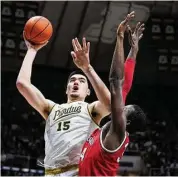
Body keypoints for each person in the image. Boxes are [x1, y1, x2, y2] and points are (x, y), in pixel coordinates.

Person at [16, 34, 111, 176]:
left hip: (78, 172)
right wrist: (32, 50)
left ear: (88, 92)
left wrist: (88, 69)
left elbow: (110, 104)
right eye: (72, 80)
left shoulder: (91, 109)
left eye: (81, 81)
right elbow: (22, 84)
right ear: (66, 89)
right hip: (51, 173)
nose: (76, 82)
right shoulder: (52, 109)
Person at [79, 11, 147, 176]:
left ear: (127, 123)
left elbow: (116, 80)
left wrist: (120, 37)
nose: (120, 107)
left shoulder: (117, 131)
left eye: (124, 110)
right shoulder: (116, 124)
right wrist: (134, 50)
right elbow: (124, 86)